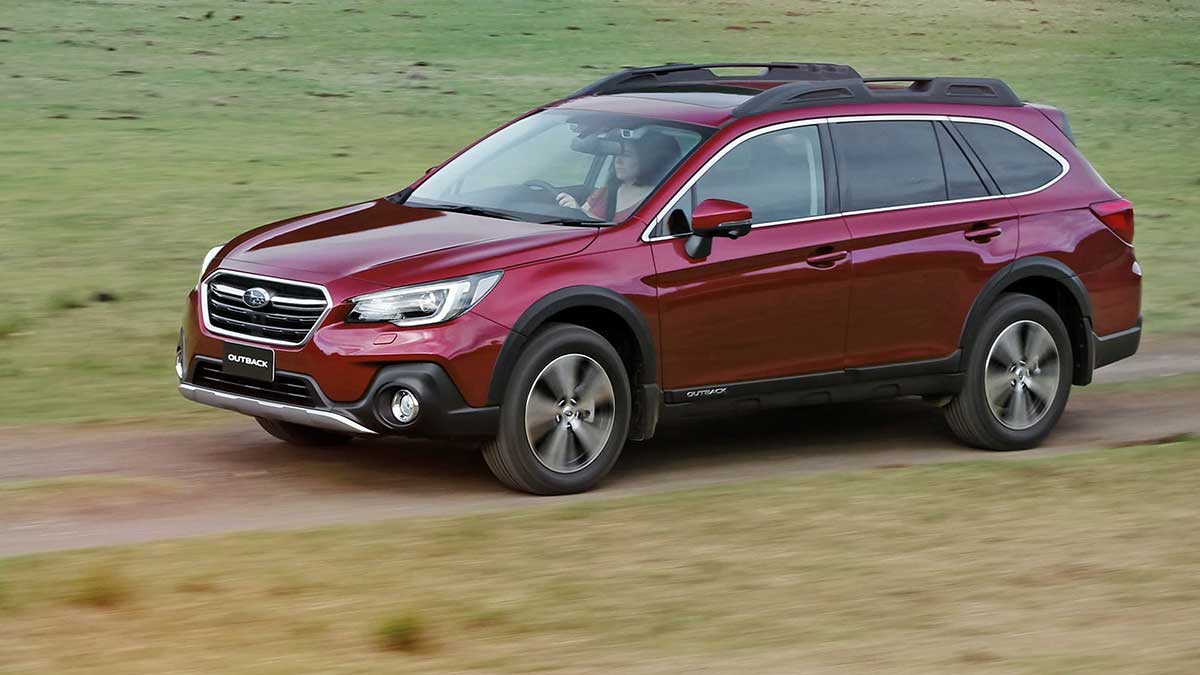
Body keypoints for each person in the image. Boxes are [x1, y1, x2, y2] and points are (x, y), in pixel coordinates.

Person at [557, 131, 681, 222]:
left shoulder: (658, 200)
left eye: (626, 155)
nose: (618, 161)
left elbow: (626, 236)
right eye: (616, 154)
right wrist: (574, 209)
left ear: (646, 161)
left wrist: (580, 212)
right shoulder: (604, 192)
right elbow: (580, 222)